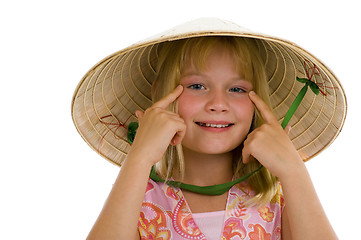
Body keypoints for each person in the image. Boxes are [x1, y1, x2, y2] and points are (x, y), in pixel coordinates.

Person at [72, 18, 346, 239]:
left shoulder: (279, 200)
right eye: (197, 86)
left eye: (237, 89)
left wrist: (293, 169)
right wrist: (139, 158)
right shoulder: (138, 203)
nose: (218, 104)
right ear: (161, 97)